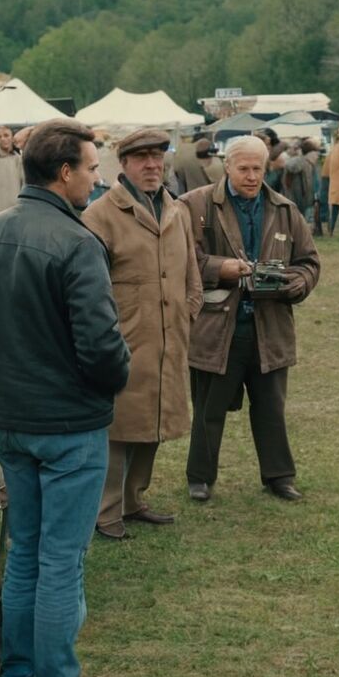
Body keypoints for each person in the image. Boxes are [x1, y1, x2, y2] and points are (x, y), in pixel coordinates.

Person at [0, 118, 130, 677]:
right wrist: (106, 383)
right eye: (91, 167)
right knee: (58, 562)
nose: (97, 177)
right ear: (63, 173)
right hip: (67, 425)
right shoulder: (77, 243)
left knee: (26, 553)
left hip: (12, 422)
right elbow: (102, 345)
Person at [180, 135, 320, 503]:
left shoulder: (285, 210)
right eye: (244, 168)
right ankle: (200, 477)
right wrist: (219, 267)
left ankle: (279, 476)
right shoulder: (195, 205)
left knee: (271, 407)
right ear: (226, 166)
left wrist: (299, 282)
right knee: (209, 410)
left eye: (258, 168)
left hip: (269, 326)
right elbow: (180, 259)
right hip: (217, 326)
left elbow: (309, 262)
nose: (252, 176)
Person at [82, 128, 203, 540]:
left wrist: (189, 309)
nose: (153, 165)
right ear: (125, 164)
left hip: (169, 338)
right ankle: (106, 511)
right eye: (142, 159)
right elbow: (87, 289)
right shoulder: (99, 216)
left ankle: (134, 500)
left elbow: (191, 272)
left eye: (158, 157)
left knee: (154, 423)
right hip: (125, 342)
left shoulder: (176, 209)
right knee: (119, 427)